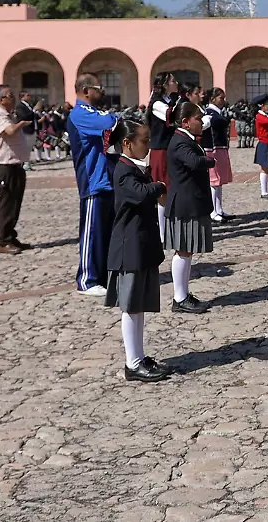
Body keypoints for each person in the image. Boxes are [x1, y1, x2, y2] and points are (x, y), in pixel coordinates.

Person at [103, 118, 173, 383]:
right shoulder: (123, 170)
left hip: (141, 245)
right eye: (144, 141)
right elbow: (142, 193)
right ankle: (132, 363)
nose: (148, 145)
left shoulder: (135, 167)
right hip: (128, 247)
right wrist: (160, 186)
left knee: (139, 305)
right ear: (126, 143)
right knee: (131, 307)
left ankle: (139, 356)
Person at [68, 74, 119, 298]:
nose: (103, 92)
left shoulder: (90, 113)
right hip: (92, 180)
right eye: (99, 88)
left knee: (103, 232)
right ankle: (87, 279)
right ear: (86, 90)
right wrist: (110, 116)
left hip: (105, 178)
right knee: (91, 232)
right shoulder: (80, 113)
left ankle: (102, 274)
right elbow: (109, 122)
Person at [164, 102, 216, 315]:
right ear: (185, 121)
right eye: (198, 118)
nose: (202, 121)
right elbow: (194, 162)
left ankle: (184, 294)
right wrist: (209, 161)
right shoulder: (179, 141)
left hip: (190, 201)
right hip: (184, 202)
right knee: (183, 250)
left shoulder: (187, 138)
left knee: (187, 251)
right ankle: (179, 297)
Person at [0, 84, 33, 255]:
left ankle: (12, 236)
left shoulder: (7, 114)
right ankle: (4, 241)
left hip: (16, 164)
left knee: (15, 203)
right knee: (7, 205)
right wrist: (21, 123)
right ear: (1, 100)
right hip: (5, 167)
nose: (13, 98)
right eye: (10, 95)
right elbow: (9, 131)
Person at [146, 72, 181, 240]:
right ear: (165, 85)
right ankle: (162, 232)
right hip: (161, 151)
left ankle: (168, 227)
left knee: (171, 189)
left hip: (170, 150)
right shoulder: (158, 104)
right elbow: (172, 117)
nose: (176, 83)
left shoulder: (169, 101)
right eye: (173, 81)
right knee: (162, 191)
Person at [201, 87, 235, 222]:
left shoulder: (217, 113)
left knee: (219, 181)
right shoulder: (209, 113)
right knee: (214, 181)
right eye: (221, 98)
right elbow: (207, 124)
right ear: (213, 99)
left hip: (220, 148)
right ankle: (213, 211)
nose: (223, 100)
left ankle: (219, 209)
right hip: (213, 149)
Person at [252, 94, 268, 199]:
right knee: (264, 168)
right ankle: (264, 192)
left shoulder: (265, 115)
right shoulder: (260, 116)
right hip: (264, 144)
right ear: (262, 106)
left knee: (266, 168)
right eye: (267, 105)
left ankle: (265, 191)